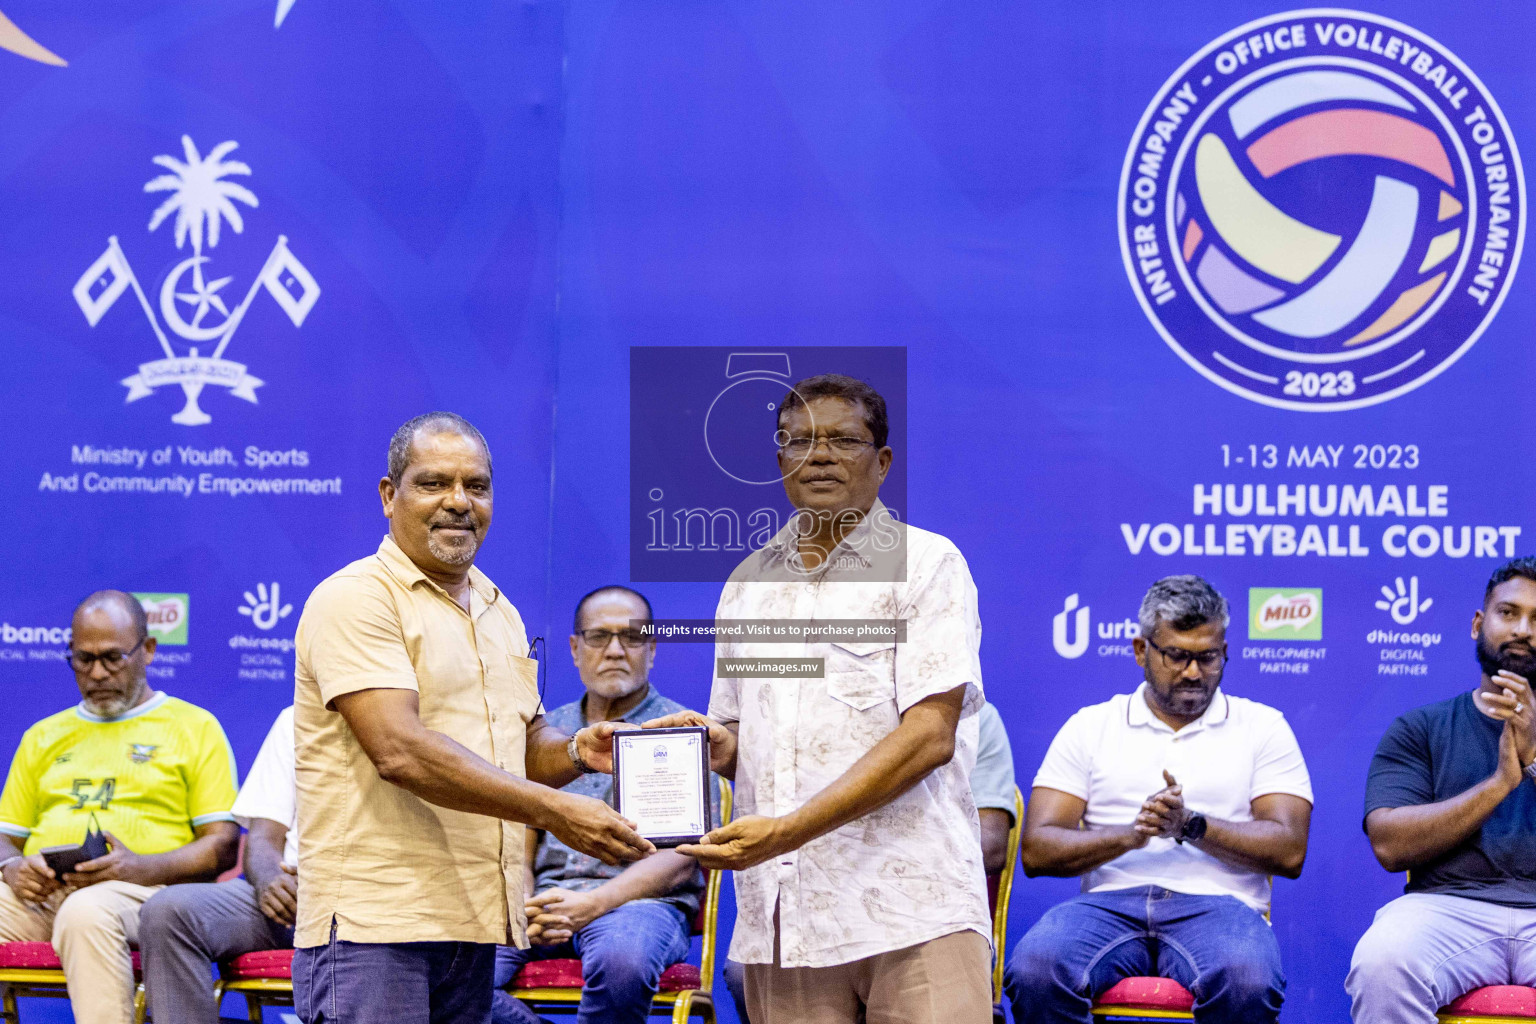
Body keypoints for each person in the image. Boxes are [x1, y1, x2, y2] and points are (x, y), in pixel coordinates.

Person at [646, 373, 993, 1024]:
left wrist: (786, 832)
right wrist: (716, 746)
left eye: (844, 440)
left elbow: (930, 735)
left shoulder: (928, 565)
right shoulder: (749, 584)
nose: (821, 455)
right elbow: (740, 741)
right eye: (800, 440)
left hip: (911, 904)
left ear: (882, 462)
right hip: (786, 916)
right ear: (779, 460)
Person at [292, 412, 653, 1024]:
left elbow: (525, 743)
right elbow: (399, 750)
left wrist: (577, 753)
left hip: (473, 921)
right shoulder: (356, 598)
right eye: (433, 483)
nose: (458, 502)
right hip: (375, 927)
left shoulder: (498, 609)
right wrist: (557, 811)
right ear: (389, 496)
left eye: (476, 486)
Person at [1005, 574, 1312, 1024]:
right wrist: (1132, 836)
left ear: (1225, 652)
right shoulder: (1091, 726)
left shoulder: (1263, 728)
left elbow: (1289, 850)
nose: (1193, 672)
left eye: (1208, 658)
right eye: (1177, 656)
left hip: (1221, 906)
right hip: (1108, 903)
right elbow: (1037, 850)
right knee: (1037, 968)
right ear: (1140, 650)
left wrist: (1190, 825)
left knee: (1248, 977)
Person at [0, 591, 239, 1024]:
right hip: (42, 897)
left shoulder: (195, 727)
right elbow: (4, 837)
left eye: (112, 658)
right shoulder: (42, 736)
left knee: (86, 912)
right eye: (82, 659)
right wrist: (12, 868)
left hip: (145, 894)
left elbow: (220, 847)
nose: (97, 673)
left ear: (147, 651)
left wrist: (139, 867)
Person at [493, 585, 720, 1024]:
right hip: (545, 900)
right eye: (599, 637)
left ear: (651, 649)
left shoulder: (683, 731)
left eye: (632, 637)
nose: (615, 651)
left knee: (623, 964)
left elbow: (681, 859)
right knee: (450, 968)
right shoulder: (546, 735)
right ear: (575, 649)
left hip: (639, 904)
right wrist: (523, 905)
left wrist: (592, 905)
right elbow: (519, 837)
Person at [722, 698, 1018, 1023]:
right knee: (742, 969)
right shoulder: (790, 705)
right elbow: (742, 740)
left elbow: (991, 845)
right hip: (805, 911)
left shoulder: (972, 715)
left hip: (915, 913)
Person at [1348, 558, 1536, 1022]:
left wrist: (1533, 761)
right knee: (1383, 962)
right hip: (1447, 910)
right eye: (1508, 613)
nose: (1523, 630)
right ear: (1478, 623)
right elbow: (1390, 844)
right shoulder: (1422, 728)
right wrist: (1499, 785)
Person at [139, 705, 298, 1024]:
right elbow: (264, 837)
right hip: (292, 902)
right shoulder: (296, 718)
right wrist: (269, 881)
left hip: (380, 902)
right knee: (169, 912)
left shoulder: (419, 728)